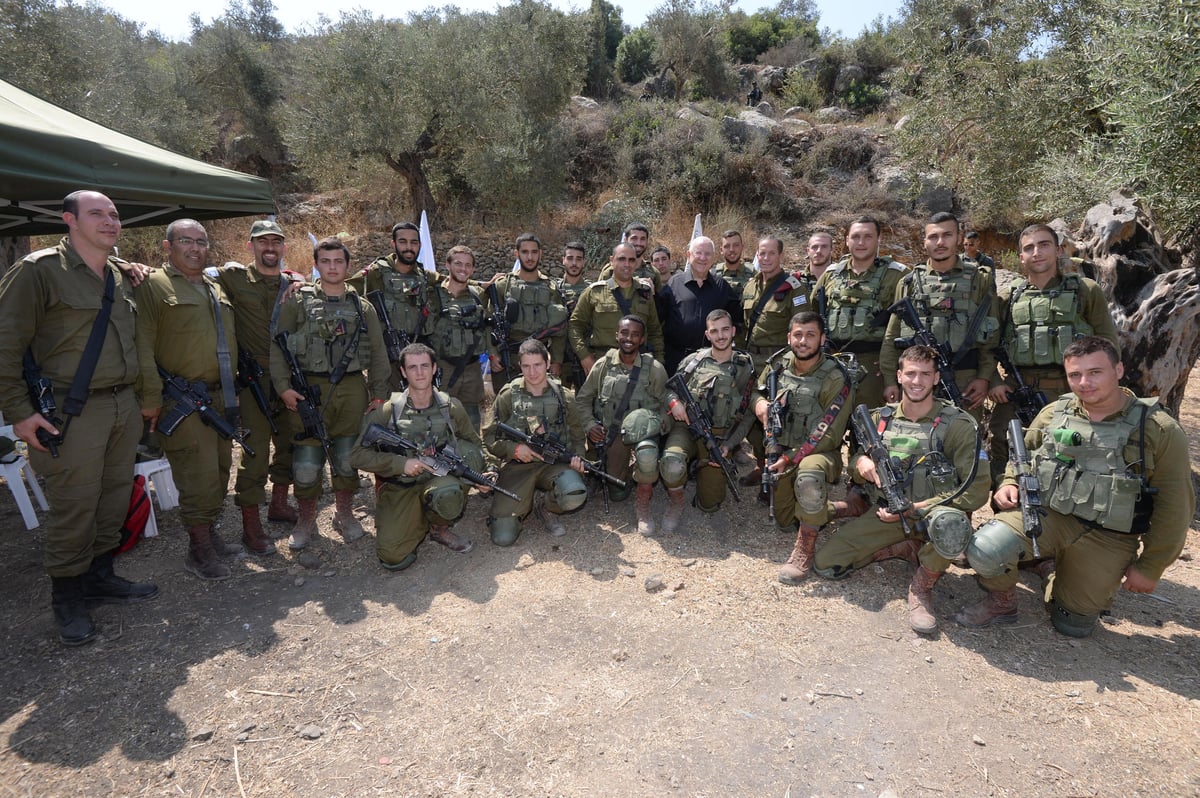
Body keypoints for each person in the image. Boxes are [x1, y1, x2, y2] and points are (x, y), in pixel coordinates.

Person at [957, 337, 1194, 637]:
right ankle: (1003, 601)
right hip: (1048, 517)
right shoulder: (1056, 412)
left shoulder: (1159, 429)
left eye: (1095, 372)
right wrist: (1009, 482)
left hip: (1109, 537)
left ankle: (1054, 574)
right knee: (984, 550)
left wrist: (1151, 566)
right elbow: (1024, 455)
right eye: (1075, 375)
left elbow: (1175, 507)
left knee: (1073, 624)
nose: (1084, 383)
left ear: (1119, 369)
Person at [0, 190, 155, 645]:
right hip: (70, 410)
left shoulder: (120, 275)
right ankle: (67, 597)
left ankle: (99, 575)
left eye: (113, 215)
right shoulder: (38, 271)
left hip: (121, 404)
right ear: (68, 219)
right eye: (97, 214)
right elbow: (5, 346)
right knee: (75, 504)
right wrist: (19, 414)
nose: (109, 221)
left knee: (111, 498)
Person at [813, 345, 988, 633]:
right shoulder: (879, 418)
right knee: (827, 563)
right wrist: (862, 465)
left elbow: (976, 491)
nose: (916, 381)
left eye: (924, 374)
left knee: (951, 525)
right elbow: (855, 457)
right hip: (889, 512)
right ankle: (903, 547)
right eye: (910, 374)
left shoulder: (959, 425)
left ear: (936, 378)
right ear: (899, 376)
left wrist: (917, 509)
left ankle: (921, 587)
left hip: (934, 515)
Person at [136, 219, 241, 581]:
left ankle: (209, 534)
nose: (195, 248)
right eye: (186, 241)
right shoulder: (152, 286)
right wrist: (150, 398)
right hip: (181, 401)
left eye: (201, 241)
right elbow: (142, 346)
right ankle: (198, 551)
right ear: (168, 247)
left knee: (218, 472)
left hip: (217, 397)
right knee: (196, 477)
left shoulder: (214, 287)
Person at [271, 237, 390, 550]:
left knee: (347, 457)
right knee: (307, 461)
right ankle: (306, 518)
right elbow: (279, 346)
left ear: (348, 265)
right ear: (316, 264)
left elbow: (378, 353)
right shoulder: (297, 301)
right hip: (308, 388)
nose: (333, 267)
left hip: (352, 389)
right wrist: (283, 387)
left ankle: (344, 513)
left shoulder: (362, 307)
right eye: (326, 261)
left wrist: (379, 394)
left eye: (339, 261)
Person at [986, 223, 1121, 487]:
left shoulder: (1085, 290)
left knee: (1071, 453)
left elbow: (1107, 343)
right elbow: (987, 345)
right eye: (1029, 248)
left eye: (1044, 244)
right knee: (1004, 451)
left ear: (1058, 250)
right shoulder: (1008, 296)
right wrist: (993, 381)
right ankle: (1006, 514)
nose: (1037, 252)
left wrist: (1098, 388)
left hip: (1071, 390)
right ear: (1021, 257)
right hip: (1017, 389)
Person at [210, 219, 304, 555]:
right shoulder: (232, 277)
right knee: (255, 452)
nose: (270, 248)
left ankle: (279, 502)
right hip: (253, 380)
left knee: (292, 441)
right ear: (251, 246)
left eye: (276, 242)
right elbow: (189, 268)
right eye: (262, 242)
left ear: (284, 248)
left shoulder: (294, 283)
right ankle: (251, 525)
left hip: (288, 378)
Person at [350, 343, 483, 570]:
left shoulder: (450, 407)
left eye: (424, 366)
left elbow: (473, 444)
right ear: (403, 372)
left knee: (449, 494)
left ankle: (439, 527)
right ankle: (417, 520)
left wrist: (480, 476)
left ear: (434, 369)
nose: (419, 372)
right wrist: (400, 463)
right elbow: (357, 457)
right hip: (400, 487)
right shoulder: (387, 412)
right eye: (412, 367)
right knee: (392, 558)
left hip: (437, 481)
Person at [752, 311, 854, 583]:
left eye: (810, 335)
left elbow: (830, 434)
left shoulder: (835, 376)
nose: (803, 341)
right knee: (785, 522)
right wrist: (759, 404)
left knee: (808, 476)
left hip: (818, 453)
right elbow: (757, 391)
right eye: (797, 334)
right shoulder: (778, 364)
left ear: (822, 339)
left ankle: (804, 551)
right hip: (782, 451)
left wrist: (790, 458)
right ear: (789, 337)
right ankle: (841, 508)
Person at [880, 212, 1000, 418]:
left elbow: (992, 336)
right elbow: (892, 337)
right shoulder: (908, 283)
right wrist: (891, 380)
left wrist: (984, 377)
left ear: (959, 238)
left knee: (965, 440)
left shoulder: (979, 280)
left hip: (965, 379)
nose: (940, 242)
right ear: (925, 241)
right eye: (933, 237)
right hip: (917, 379)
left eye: (947, 235)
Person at [484, 339, 589, 545]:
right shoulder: (508, 396)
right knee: (503, 537)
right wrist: (513, 449)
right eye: (526, 366)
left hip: (553, 464)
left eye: (538, 365)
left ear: (547, 363)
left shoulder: (564, 396)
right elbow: (489, 437)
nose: (532, 372)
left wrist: (579, 461)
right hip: (518, 468)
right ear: (520, 365)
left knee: (573, 492)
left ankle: (547, 507)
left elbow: (577, 436)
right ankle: (523, 501)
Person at [659, 310, 757, 531]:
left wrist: (729, 445)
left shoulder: (744, 367)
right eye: (714, 331)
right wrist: (675, 404)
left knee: (710, 504)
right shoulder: (693, 362)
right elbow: (669, 391)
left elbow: (748, 414)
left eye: (725, 330)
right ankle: (677, 501)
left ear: (733, 331)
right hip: (685, 428)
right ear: (707, 334)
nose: (720, 336)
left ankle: (699, 471)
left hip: (719, 435)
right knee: (672, 464)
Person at [575, 315, 669, 535]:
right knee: (617, 492)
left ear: (642, 339)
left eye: (635, 334)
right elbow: (582, 399)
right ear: (616, 335)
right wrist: (590, 425)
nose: (629, 338)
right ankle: (623, 472)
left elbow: (667, 405)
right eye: (625, 333)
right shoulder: (603, 365)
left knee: (646, 455)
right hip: (613, 433)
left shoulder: (654, 369)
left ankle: (643, 507)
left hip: (643, 434)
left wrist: (656, 428)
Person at [813, 215, 908, 411]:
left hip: (874, 368)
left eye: (868, 237)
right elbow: (812, 317)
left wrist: (891, 372)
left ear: (879, 239)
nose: (861, 242)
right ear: (847, 240)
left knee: (868, 430)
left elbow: (903, 329)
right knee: (827, 429)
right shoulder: (831, 274)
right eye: (855, 237)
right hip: (832, 363)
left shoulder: (897, 276)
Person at [349, 221, 432, 390]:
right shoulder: (376, 273)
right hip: (386, 357)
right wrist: (303, 286)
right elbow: (343, 289)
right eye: (403, 242)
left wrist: (485, 285)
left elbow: (452, 282)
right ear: (393, 244)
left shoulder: (424, 275)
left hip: (418, 355)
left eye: (414, 242)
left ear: (420, 245)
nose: (409, 247)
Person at [489, 233, 571, 386]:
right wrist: (493, 354)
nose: (530, 257)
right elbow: (489, 323)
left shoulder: (551, 288)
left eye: (534, 252)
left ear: (540, 254)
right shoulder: (503, 285)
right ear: (516, 253)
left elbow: (559, 329)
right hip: (509, 358)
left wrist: (557, 360)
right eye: (525, 252)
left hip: (540, 359)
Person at [570, 242, 665, 373]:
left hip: (638, 368)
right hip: (603, 366)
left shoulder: (645, 293)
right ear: (612, 261)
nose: (627, 264)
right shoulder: (594, 292)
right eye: (621, 259)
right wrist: (584, 357)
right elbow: (575, 326)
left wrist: (658, 364)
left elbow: (655, 331)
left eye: (632, 260)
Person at [428, 245, 494, 430]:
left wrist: (493, 355)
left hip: (472, 369)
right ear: (447, 265)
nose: (463, 269)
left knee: (471, 420)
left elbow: (486, 328)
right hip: (444, 368)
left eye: (468, 265)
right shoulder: (433, 294)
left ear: (473, 269)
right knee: (441, 419)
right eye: (458, 263)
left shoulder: (478, 295)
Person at [740, 236, 813, 359]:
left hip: (778, 360)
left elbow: (803, 330)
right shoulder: (750, 286)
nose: (766, 258)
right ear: (757, 256)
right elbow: (743, 327)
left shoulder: (794, 289)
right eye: (762, 253)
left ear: (781, 255)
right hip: (750, 358)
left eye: (772, 253)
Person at [557, 241, 591, 390]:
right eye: (570, 258)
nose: (574, 263)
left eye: (578, 259)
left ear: (583, 262)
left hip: (584, 354)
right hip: (560, 356)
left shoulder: (591, 290)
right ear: (563, 260)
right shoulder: (553, 289)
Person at [599, 223, 663, 291]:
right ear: (626, 240)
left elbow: (659, 300)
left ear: (647, 241)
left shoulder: (653, 273)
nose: (639, 243)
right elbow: (597, 297)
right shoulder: (611, 271)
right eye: (634, 238)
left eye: (642, 239)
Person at [713, 230, 754, 303]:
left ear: (742, 247)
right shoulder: (712, 275)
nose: (731, 250)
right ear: (721, 250)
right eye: (727, 246)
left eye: (736, 245)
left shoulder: (755, 275)